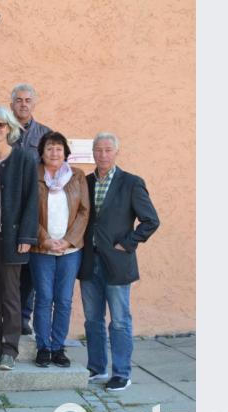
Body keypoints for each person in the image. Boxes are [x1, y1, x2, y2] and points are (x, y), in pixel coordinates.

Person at [78, 132, 159, 392]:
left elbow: (150, 220)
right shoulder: (86, 182)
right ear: (93, 153)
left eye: (107, 150)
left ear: (116, 153)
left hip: (117, 262)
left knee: (120, 320)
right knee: (92, 319)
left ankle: (122, 372)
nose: (102, 155)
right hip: (89, 261)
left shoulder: (131, 183)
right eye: (98, 150)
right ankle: (97, 367)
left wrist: (128, 242)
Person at [0, 106, 39, 372]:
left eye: (1, 125)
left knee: (11, 296)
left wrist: (27, 235)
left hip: (13, 237)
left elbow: (31, 200)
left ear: (10, 128)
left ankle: (9, 349)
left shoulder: (24, 159)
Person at [28, 132, 89, 368]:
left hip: (70, 250)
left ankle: (58, 347)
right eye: (50, 148)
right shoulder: (33, 176)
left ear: (65, 153)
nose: (54, 153)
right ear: (42, 152)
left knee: (63, 300)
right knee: (44, 298)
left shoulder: (77, 176)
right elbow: (27, 211)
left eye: (59, 149)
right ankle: (43, 347)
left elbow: (84, 211)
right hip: (41, 249)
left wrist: (69, 240)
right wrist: (44, 239)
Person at [10, 83, 52, 334]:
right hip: (6, 207)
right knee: (9, 265)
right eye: (18, 100)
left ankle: (24, 316)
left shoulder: (46, 134)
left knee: (30, 267)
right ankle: (9, 313)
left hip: (35, 208)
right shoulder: (1, 131)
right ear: (11, 103)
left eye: (27, 100)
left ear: (34, 104)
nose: (23, 104)